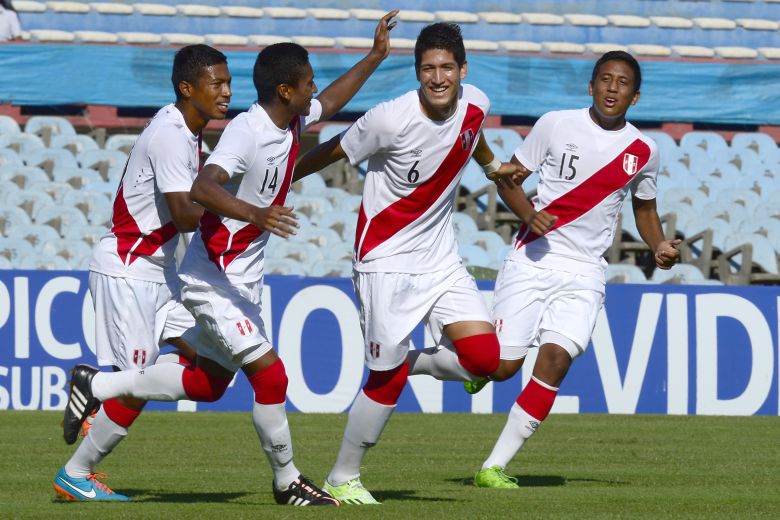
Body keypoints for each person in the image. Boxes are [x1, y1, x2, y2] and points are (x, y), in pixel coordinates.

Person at [60, 11, 399, 506]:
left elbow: (333, 101)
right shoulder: (247, 131)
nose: (315, 91)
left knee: (207, 383)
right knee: (271, 375)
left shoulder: (292, 120)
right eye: (308, 83)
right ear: (286, 90)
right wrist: (255, 213)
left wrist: (374, 58)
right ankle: (288, 484)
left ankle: (89, 420)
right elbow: (201, 189)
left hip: (238, 281)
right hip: (208, 277)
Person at [293, 22, 519, 505]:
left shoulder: (476, 102)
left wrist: (491, 167)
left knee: (486, 361)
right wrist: (278, 178)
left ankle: (404, 366)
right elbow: (333, 151)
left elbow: (472, 133)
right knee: (384, 378)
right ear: (417, 72)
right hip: (385, 261)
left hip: (440, 258)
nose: (438, 78)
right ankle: (343, 476)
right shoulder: (388, 119)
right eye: (427, 69)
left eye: (446, 69)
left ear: (463, 70)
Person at [466, 51, 681, 488]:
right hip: (534, 257)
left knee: (557, 359)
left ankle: (494, 467)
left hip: (585, 271)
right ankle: (452, 363)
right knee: (504, 367)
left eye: (622, 83)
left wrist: (658, 243)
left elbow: (644, 210)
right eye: (605, 79)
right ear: (591, 86)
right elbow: (509, 179)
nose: (612, 88)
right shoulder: (555, 124)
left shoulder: (644, 151)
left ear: (635, 97)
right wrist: (528, 214)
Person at [53, 44, 232, 502]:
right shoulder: (172, 134)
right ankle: (78, 472)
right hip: (131, 270)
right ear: (187, 88)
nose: (227, 92)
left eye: (228, 82)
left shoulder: (190, 136)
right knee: (134, 391)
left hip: (162, 276)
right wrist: (247, 213)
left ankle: (94, 390)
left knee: (214, 363)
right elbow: (186, 215)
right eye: (217, 83)